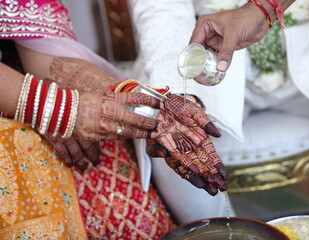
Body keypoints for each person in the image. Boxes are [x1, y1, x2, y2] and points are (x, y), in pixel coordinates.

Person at [0, 0, 227, 238]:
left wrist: (140, 102)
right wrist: (54, 109)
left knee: (125, 210)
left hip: (29, 85)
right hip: (26, 104)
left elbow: (43, 54)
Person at [128, 0, 309, 218]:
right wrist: (177, 90)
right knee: (169, 134)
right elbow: (161, 8)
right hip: (207, 51)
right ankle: (219, 231)